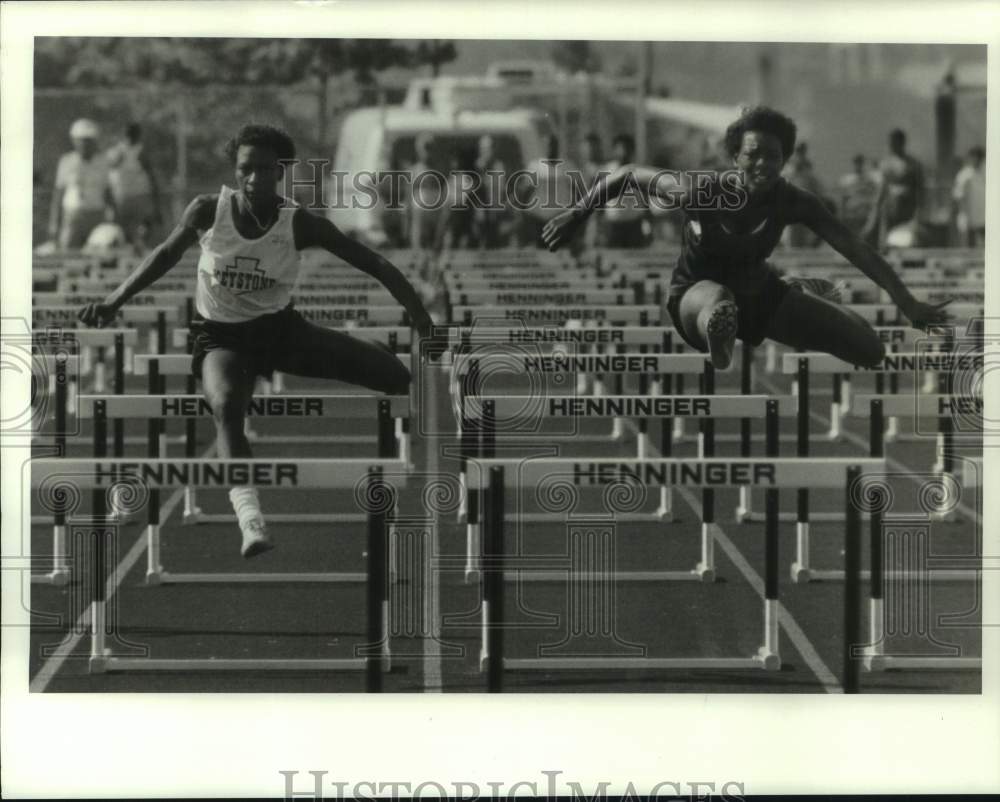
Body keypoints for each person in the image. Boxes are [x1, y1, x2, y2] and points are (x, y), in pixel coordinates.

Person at [78, 123, 436, 558]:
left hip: (281, 333)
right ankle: (251, 519)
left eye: (264, 171)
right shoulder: (208, 211)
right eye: (245, 169)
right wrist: (114, 300)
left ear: (281, 172)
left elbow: (374, 262)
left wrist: (420, 318)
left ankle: (373, 350)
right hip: (221, 339)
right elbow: (164, 255)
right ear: (235, 170)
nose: (252, 180)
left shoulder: (299, 223)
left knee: (395, 376)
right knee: (227, 404)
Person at [541, 106, 951, 371]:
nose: (762, 164)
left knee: (870, 351)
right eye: (752, 154)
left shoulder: (794, 201)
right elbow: (628, 173)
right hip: (694, 298)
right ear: (735, 157)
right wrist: (577, 215)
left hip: (761, 295)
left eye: (772, 156)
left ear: (785, 160)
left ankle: (806, 299)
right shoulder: (700, 190)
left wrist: (906, 302)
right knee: (720, 300)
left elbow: (857, 249)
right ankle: (720, 343)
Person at [48, 118, 116, 250]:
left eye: (89, 141)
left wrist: (114, 216)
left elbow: (108, 192)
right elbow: (58, 194)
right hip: (73, 215)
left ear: (94, 141)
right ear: (74, 141)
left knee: (98, 251)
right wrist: (54, 224)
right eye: (82, 140)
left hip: (97, 214)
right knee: (68, 251)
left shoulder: (102, 162)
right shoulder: (67, 161)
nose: (85, 144)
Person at [864, 127, 925, 248]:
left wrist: (920, 211)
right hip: (890, 208)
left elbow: (920, 189)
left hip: (908, 208)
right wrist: (875, 210)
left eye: (895, 142)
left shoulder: (913, 164)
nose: (892, 145)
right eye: (891, 142)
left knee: (907, 240)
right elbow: (882, 189)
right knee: (884, 241)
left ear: (902, 143)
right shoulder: (886, 163)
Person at [106, 122, 162, 250]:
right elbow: (108, 169)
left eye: (132, 134)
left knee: (143, 229)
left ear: (138, 136)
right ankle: (127, 254)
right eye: (127, 134)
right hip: (120, 197)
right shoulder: (116, 151)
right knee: (120, 231)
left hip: (139, 196)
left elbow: (152, 177)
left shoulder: (142, 151)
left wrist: (156, 204)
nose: (129, 138)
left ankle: (140, 252)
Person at [602, 133, 649, 248]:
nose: (624, 152)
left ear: (632, 151)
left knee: (636, 261)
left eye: (627, 149)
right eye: (620, 148)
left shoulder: (640, 171)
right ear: (614, 150)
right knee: (613, 260)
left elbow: (646, 198)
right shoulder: (605, 171)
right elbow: (597, 199)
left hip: (634, 224)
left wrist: (648, 224)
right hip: (613, 225)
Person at [837, 153, 880, 242]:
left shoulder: (870, 180)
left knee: (864, 240)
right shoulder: (846, 180)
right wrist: (841, 216)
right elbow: (843, 200)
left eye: (860, 162)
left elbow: (873, 198)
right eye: (857, 162)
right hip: (851, 216)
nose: (859, 164)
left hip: (864, 215)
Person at [952, 145, 985, 247]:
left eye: (979, 157)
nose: (977, 160)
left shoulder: (986, 173)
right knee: (967, 248)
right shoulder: (964, 175)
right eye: (974, 157)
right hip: (968, 219)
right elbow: (958, 196)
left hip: (983, 219)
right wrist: (963, 215)